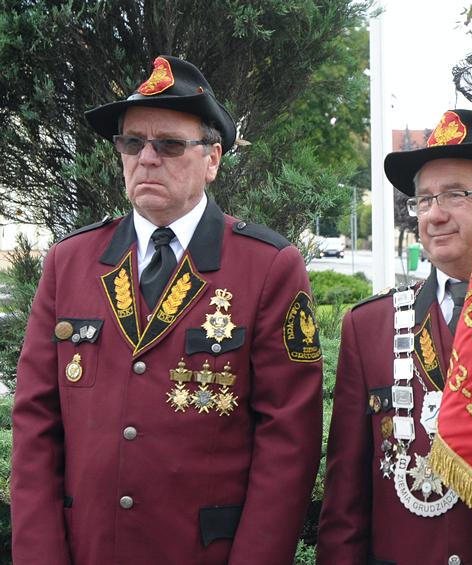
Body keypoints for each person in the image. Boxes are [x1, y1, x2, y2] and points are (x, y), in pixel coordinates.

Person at [11, 55, 323, 565]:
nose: (147, 158)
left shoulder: (267, 267)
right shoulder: (70, 263)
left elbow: (288, 446)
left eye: (170, 144)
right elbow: (35, 427)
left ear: (213, 159)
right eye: (132, 143)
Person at [318, 109, 472, 564]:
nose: (434, 214)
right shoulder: (369, 328)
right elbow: (345, 503)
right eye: (423, 200)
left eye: (454, 194)